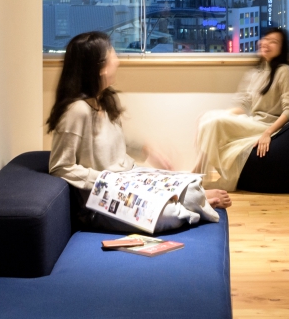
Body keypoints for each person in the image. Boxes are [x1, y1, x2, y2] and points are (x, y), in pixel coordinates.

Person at [47, 31, 231, 210]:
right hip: (107, 193)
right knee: (168, 211)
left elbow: (117, 141)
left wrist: (148, 151)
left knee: (186, 181)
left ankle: (189, 198)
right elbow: (60, 167)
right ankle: (187, 203)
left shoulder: (105, 100)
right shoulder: (77, 111)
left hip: (128, 176)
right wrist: (107, 179)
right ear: (100, 68)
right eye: (112, 53)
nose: (117, 60)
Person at [193, 26, 289, 190]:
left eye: (274, 42)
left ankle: (197, 173)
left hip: (267, 126)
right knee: (206, 117)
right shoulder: (256, 73)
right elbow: (243, 106)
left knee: (214, 123)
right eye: (265, 39)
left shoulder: (284, 71)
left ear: (281, 49)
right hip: (254, 121)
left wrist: (267, 133)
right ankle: (198, 172)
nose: (266, 43)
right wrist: (221, 114)